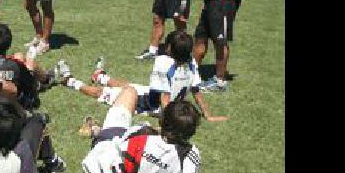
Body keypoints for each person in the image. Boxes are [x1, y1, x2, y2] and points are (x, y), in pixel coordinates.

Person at [55, 31, 228, 123]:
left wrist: (167, 124)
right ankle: (100, 75)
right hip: (151, 96)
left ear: (169, 49)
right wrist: (207, 114)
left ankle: (68, 80)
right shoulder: (191, 63)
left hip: (145, 104)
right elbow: (196, 91)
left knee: (101, 93)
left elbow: (165, 100)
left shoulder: (163, 63)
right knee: (129, 85)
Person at [79, 94, 204, 173]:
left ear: (163, 119)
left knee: (129, 93)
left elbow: (117, 144)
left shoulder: (143, 133)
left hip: (105, 163)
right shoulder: (190, 154)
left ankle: (96, 130)